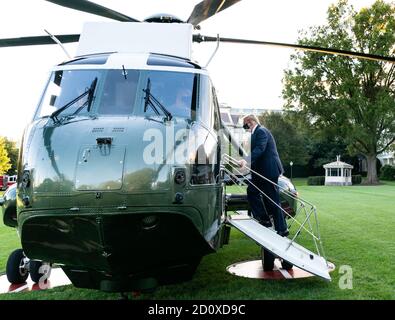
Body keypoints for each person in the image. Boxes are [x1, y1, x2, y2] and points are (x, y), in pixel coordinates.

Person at [238, 114, 289, 237]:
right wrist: (244, 160)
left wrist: (247, 160)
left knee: (272, 199)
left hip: (269, 171)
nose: (244, 128)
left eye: (245, 125)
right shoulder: (255, 134)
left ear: (250, 122)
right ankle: (264, 219)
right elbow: (254, 152)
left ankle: (282, 229)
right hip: (260, 172)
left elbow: (260, 149)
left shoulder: (261, 131)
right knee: (252, 192)